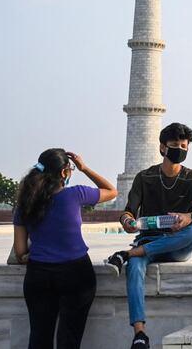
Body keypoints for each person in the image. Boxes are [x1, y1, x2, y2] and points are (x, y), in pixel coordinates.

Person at [105, 123, 192, 349]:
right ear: (162, 148)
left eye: (184, 146)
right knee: (135, 268)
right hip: (149, 240)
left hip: (177, 244)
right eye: (175, 145)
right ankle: (140, 333)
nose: (180, 150)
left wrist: (189, 217)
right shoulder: (146, 177)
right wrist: (128, 223)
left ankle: (128, 253)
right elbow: (128, 212)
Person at [13, 149, 117, 349]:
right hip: (76, 273)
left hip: (38, 275)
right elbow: (112, 191)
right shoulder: (76, 194)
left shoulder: (24, 203)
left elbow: (19, 251)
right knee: (69, 339)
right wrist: (84, 168)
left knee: (39, 339)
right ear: (64, 173)